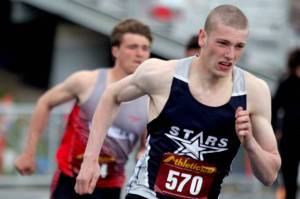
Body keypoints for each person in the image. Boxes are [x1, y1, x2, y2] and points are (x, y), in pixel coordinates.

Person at [75, 5, 281, 199]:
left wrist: (250, 144)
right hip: (147, 193)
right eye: (223, 43)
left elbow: (269, 176)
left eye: (239, 46)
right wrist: (90, 159)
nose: (230, 55)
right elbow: (112, 95)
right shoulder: (162, 74)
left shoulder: (253, 91)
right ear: (203, 37)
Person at [14, 18, 152, 199]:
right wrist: (29, 152)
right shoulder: (87, 81)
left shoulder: (149, 99)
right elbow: (45, 102)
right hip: (70, 178)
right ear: (115, 50)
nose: (139, 53)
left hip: (109, 186)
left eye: (145, 48)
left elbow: (144, 145)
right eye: (132, 47)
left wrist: (143, 154)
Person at [272, 48, 300, 199]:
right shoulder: (286, 83)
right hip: (290, 137)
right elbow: (274, 107)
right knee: (290, 178)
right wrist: (275, 129)